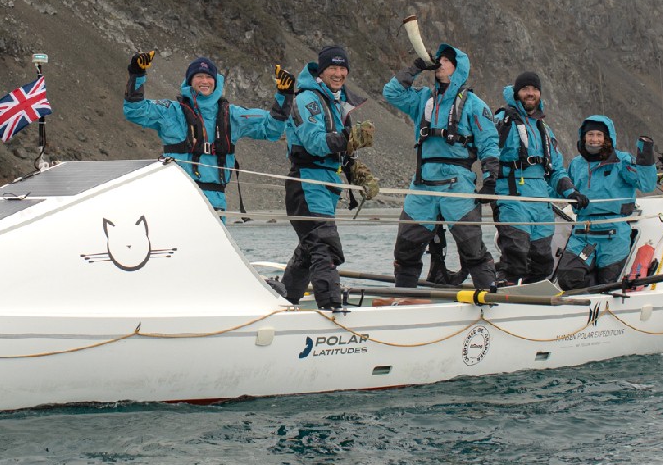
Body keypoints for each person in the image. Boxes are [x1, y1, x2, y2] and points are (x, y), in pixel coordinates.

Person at [384, 44, 499, 291]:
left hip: (457, 183)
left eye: (447, 60)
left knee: (472, 248)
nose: (441, 63)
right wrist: (415, 68)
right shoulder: (424, 99)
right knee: (406, 247)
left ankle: (491, 298)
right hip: (423, 183)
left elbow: (489, 141)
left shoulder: (474, 105)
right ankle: (403, 299)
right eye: (440, 59)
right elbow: (391, 93)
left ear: (458, 69)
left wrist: (490, 177)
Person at [123, 51, 294, 219]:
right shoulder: (171, 111)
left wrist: (284, 95)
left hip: (215, 204)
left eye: (208, 77)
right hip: (175, 201)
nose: (204, 81)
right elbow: (135, 111)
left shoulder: (232, 115)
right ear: (190, 80)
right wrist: (137, 74)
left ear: (215, 81)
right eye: (199, 76)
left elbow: (272, 129)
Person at [277, 45, 378, 311]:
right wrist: (351, 137)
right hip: (307, 186)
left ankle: (284, 303)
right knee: (325, 249)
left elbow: (340, 150)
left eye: (342, 68)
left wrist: (359, 174)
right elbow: (315, 143)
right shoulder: (307, 100)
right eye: (332, 67)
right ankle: (331, 309)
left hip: (324, 187)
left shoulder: (335, 102)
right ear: (321, 71)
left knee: (309, 251)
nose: (338, 73)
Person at [493, 72, 588, 286]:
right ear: (517, 92)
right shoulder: (503, 120)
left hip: (540, 203)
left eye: (534, 89)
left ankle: (529, 298)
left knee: (543, 264)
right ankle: (497, 292)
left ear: (539, 94)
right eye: (525, 89)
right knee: (515, 258)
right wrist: (487, 185)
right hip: (512, 197)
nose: (530, 93)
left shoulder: (544, 130)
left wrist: (571, 193)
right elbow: (487, 152)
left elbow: (556, 171)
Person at [555, 116, 658, 290]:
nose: (594, 139)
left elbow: (646, 185)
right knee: (567, 276)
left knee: (608, 281)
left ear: (607, 138)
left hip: (614, 234)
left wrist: (646, 155)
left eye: (599, 135)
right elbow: (558, 190)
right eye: (590, 135)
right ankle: (589, 298)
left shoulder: (622, 161)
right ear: (583, 136)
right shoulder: (576, 164)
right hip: (583, 233)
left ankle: (598, 300)